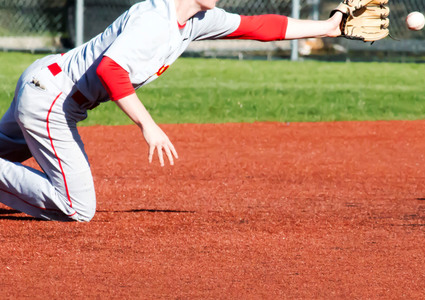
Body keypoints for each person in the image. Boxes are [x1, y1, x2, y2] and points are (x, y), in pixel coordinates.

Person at [0, 0, 343, 221]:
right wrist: (148, 125)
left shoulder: (196, 19)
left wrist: (328, 27)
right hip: (54, 101)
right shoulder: (155, 19)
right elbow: (110, 69)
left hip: (49, 82)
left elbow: (257, 27)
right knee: (76, 206)